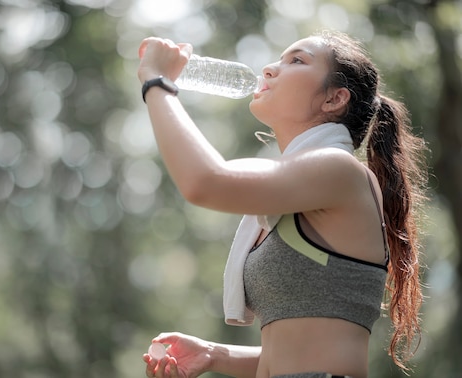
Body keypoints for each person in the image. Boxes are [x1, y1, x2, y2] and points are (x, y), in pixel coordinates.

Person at [137, 30, 428, 378]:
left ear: (334, 99)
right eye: (279, 58)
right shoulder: (291, 193)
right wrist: (214, 354)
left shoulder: (339, 170)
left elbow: (205, 182)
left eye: (297, 60)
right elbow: (295, 351)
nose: (270, 69)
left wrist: (157, 82)